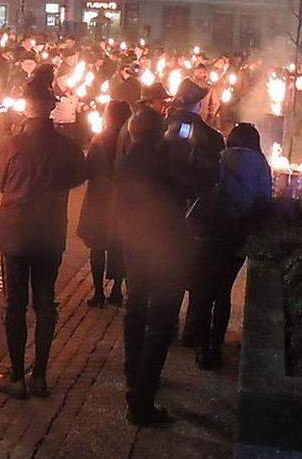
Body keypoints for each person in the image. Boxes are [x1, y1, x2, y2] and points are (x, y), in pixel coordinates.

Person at [0, 72, 86, 400]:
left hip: (15, 234)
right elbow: (79, 176)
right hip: (50, 233)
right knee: (45, 302)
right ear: (52, 109)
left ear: (26, 108)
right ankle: (39, 374)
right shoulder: (66, 147)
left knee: (14, 304)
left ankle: (16, 375)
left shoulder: (12, 144)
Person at [116, 106, 187, 426]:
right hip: (164, 249)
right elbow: (197, 182)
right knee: (161, 323)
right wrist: (179, 148)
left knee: (135, 310)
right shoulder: (163, 159)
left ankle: (133, 373)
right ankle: (142, 398)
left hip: (135, 244)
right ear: (158, 131)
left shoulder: (127, 157)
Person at [186, 123, 271, 371]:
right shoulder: (262, 165)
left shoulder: (221, 159)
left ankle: (202, 346)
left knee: (205, 291)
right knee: (223, 292)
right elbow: (265, 199)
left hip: (211, 233)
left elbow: (203, 187)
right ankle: (215, 347)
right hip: (237, 235)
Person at [76, 99, 132, 308]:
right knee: (119, 247)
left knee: (98, 248)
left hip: (99, 201)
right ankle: (117, 291)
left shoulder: (99, 140)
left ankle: (99, 292)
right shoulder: (130, 140)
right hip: (123, 202)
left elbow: (87, 169)